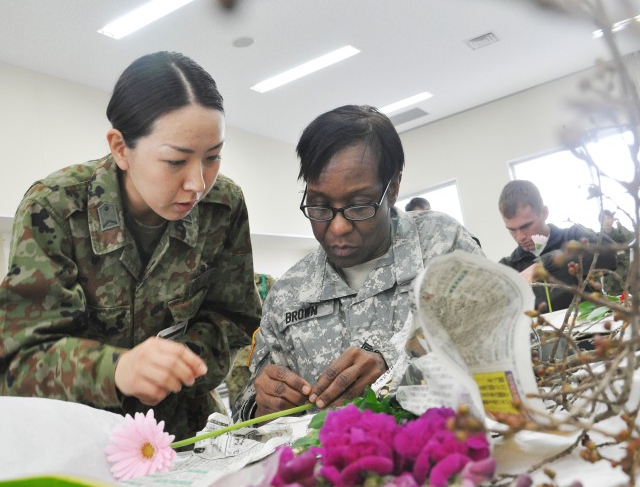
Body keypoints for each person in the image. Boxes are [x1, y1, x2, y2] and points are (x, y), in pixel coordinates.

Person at [0, 51, 261, 440]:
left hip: (184, 430)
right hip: (81, 436)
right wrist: (117, 370)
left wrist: (181, 362)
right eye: (176, 161)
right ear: (121, 148)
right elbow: (18, 361)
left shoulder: (222, 207)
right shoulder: (54, 207)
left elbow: (235, 317)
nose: (198, 184)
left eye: (213, 157)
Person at [233, 104, 482, 421]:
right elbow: (246, 406)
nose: (337, 227)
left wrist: (392, 361)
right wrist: (260, 404)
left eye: (358, 205)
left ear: (392, 188)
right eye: (320, 206)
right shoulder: (288, 294)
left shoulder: (442, 245)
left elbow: (496, 342)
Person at [498, 180, 617, 312]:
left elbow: (609, 253)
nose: (520, 236)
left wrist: (545, 264)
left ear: (544, 212)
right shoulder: (508, 267)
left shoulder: (574, 235)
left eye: (526, 226)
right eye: (512, 229)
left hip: (590, 330)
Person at [224, 272, 276, 412]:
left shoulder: (265, 281)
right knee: (238, 405)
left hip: (263, 354)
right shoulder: (227, 282)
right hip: (238, 359)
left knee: (265, 402)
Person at [600, 210, 634, 295]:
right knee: (615, 305)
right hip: (612, 282)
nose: (606, 221)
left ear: (612, 219)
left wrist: (619, 223)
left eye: (608, 218)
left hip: (627, 278)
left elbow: (631, 237)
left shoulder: (619, 233)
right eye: (603, 219)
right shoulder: (599, 239)